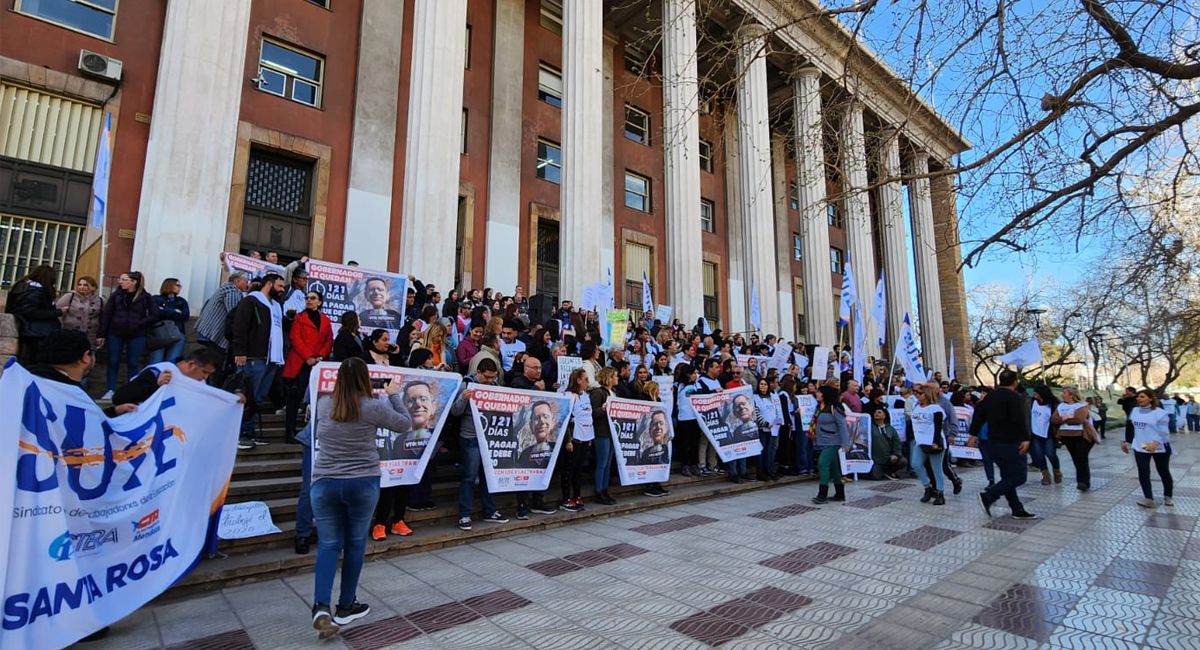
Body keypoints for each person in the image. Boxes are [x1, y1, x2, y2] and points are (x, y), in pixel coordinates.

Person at [309, 358, 412, 638]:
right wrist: (393, 394)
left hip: (324, 482)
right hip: (362, 482)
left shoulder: (323, 405)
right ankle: (345, 605)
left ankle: (321, 606)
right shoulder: (372, 406)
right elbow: (404, 424)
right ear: (364, 380)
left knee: (329, 545)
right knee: (355, 544)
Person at [452, 358, 511, 530]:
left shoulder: (495, 387)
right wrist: (463, 399)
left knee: (489, 477)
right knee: (469, 477)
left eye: (493, 377)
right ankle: (464, 514)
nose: (490, 381)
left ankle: (489, 510)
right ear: (478, 373)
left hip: (489, 438)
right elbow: (455, 412)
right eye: (486, 377)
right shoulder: (466, 386)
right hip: (470, 437)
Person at [230, 272, 287, 450]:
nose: (282, 290)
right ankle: (240, 434)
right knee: (248, 396)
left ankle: (249, 431)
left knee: (259, 398)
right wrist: (240, 351)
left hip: (272, 358)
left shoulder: (277, 306)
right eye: (280, 286)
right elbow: (240, 327)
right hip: (255, 356)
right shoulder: (251, 301)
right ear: (269, 284)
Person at [970, 370, 1036, 519]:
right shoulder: (1015, 397)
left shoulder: (990, 397)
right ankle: (989, 496)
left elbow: (978, 413)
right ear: (1015, 381)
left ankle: (1017, 509)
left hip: (993, 442)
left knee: (1008, 476)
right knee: (1019, 476)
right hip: (1011, 442)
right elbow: (1019, 420)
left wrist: (973, 433)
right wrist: (1026, 438)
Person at [282, 291, 333, 442]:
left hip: (317, 363)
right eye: (307, 298)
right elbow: (295, 338)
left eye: (313, 298)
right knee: (294, 399)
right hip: (300, 363)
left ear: (320, 302)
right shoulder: (299, 317)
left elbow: (329, 340)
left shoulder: (325, 320)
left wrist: (320, 356)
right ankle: (289, 432)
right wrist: (308, 357)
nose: (309, 300)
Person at [98, 271, 158, 399]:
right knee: (113, 361)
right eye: (120, 279)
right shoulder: (116, 296)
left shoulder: (145, 297)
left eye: (124, 279)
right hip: (115, 332)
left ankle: (132, 391)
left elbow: (155, 314)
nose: (121, 281)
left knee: (133, 362)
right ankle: (110, 389)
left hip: (137, 333)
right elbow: (106, 315)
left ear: (133, 282)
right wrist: (101, 334)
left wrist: (141, 323)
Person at [510, 358, 556, 518]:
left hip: (542, 441)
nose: (538, 371)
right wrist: (535, 388)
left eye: (540, 368)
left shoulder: (542, 383)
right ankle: (522, 505)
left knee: (542, 468)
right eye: (535, 368)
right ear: (526, 368)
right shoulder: (517, 382)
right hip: (525, 439)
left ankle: (538, 501)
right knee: (524, 471)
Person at [195, 271, 249, 383]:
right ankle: (211, 387)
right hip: (215, 333)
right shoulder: (232, 291)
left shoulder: (225, 289)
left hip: (209, 331)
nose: (247, 284)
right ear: (237, 281)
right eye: (246, 281)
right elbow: (235, 314)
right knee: (215, 363)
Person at [1123, 389, 1174, 508]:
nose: (1138, 399)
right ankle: (1148, 498)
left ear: (1150, 398)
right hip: (1140, 446)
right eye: (1138, 397)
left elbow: (1164, 432)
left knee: (1163, 471)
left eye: (1142, 397)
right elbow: (1130, 426)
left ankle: (1168, 496)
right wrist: (1124, 440)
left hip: (1160, 447)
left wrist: (1155, 443)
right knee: (1143, 472)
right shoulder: (1134, 410)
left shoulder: (1160, 413)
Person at [7, 264, 63, 366]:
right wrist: (58, 312)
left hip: (27, 330)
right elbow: (31, 312)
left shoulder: (22, 287)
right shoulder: (36, 291)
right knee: (34, 364)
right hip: (37, 333)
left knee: (25, 362)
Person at [1052, 385, 1098, 491]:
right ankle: (1081, 480)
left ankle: (1083, 482)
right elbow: (1054, 419)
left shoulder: (1081, 406)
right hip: (1066, 436)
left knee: (1081, 458)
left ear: (1072, 395)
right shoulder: (1060, 406)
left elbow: (1078, 419)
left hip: (1081, 436)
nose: (1062, 395)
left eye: (1064, 393)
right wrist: (1066, 417)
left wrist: (1063, 419)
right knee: (1076, 459)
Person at [559, 368, 593, 512]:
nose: (588, 382)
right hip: (574, 437)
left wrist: (590, 436)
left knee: (578, 469)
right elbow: (565, 419)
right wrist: (568, 440)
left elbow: (587, 415)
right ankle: (566, 498)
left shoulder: (585, 395)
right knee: (569, 469)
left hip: (585, 436)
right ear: (578, 380)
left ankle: (577, 495)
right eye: (585, 379)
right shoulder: (569, 395)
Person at [909, 383, 948, 506]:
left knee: (937, 469)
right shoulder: (917, 407)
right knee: (915, 464)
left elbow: (938, 427)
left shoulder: (935, 409)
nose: (917, 395)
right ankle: (928, 487)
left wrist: (935, 441)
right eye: (916, 393)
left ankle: (940, 494)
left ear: (926, 395)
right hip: (920, 441)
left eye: (920, 393)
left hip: (933, 442)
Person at [811, 385, 849, 504]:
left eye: (819, 392)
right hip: (823, 441)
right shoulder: (820, 407)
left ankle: (822, 494)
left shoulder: (835, 407)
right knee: (833, 468)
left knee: (823, 463)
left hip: (834, 441)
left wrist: (845, 443)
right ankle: (840, 493)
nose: (817, 394)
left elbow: (842, 425)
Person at [591, 367, 619, 505]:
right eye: (615, 376)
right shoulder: (598, 392)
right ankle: (599, 490)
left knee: (608, 462)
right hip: (601, 431)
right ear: (609, 377)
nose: (617, 378)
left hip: (612, 430)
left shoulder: (613, 392)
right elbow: (593, 412)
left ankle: (605, 489)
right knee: (602, 462)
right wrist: (602, 409)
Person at [146, 277, 190, 365]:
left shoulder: (181, 301)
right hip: (159, 333)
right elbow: (156, 312)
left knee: (171, 362)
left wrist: (165, 310)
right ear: (169, 285)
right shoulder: (156, 298)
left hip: (177, 333)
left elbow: (185, 315)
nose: (180, 287)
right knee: (156, 361)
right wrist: (174, 311)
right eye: (177, 285)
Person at [56, 275, 104, 351]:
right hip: (70, 333)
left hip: (90, 336)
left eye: (85, 285)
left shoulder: (100, 300)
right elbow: (57, 312)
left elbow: (103, 318)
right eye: (79, 284)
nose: (81, 287)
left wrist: (100, 335)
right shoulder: (69, 297)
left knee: (87, 356)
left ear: (93, 287)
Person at [753, 378, 782, 481]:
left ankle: (769, 470)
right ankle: (760, 472)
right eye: (761, 384)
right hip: (762, 428)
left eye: (765, 384)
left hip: (773, 428)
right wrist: (765, 423)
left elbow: (776, 409)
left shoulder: (771, 396)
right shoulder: (755, 397)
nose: (763, 386)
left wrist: (779, 420)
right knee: (762, 450)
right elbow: (756, 413)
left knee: (769, 450)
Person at [867, 406, 907, 480]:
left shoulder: (891, 429)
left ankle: (888, 471)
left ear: (884, 416)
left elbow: (897, 443)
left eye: (879, 412)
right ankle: (883, 472)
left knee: (903, 461)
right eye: (875, 412)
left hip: (889, 458)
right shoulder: (869, 427)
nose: (876, 414)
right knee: (876, 477)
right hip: (876, 460)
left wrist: (896, 454)